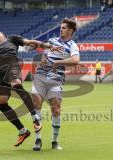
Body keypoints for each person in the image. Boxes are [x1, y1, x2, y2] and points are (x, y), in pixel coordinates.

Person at [31, 18, 80, 151]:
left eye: (64, 28)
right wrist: (43, 59)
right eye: (61, 27)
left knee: (56, 109)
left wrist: (58, 63)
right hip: (41, 75)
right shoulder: (52, 41)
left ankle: (54, 141)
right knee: (36, 104)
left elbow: (76, 60)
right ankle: (38, 139)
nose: (61, 29)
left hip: (56, 78)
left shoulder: (72, 45)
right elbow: (45, 54)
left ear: (70, 30)